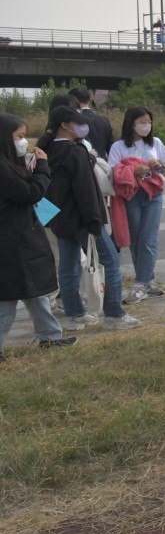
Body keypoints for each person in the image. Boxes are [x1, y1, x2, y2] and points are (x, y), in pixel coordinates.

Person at [40, 105, 138, 331]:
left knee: (68, 265)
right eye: (77, 122)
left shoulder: (48, 152)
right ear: (65, 125)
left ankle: (75, 313)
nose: (83, 126)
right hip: (83, 219)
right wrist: (95, 221)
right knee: (111, 261)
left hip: (60, 219)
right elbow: (85, 190)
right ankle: (114, 313)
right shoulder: (75, 152)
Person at [0, 113, 68, 358]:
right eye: (19, 136)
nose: (24, 141)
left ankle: (50, 336)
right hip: (11, 240)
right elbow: (31, 193)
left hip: (22, 236)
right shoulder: (2, 167)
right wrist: (42, 168)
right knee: (7, 298)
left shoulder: (10, 162)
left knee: (37, 291)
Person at [107, 105, 165, 303]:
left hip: (153, 194)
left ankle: (141, 283)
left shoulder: (156, 142)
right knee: (136, 239)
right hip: (131, 195)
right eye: (142, 122)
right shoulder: (119, 146)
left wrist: (159, 166)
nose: (147, 126)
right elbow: (113, 172)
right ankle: (148, 280)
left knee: (148, 238)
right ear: (131, 124)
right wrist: (132, 172)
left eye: (149, 122)